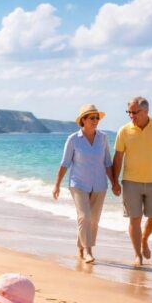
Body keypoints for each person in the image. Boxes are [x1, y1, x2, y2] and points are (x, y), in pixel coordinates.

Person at [111, 97, 152, 266]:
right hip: (131, 181)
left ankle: (144, 239)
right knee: (134, 219)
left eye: (134, 112)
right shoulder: (123, 131)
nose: (131, 116)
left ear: (146, 111)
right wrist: (115, 181)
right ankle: (137, 255)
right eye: (129, 112)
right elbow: (118, 157)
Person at [52, 104, 114, 263]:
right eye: (92, 118)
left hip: (100, 184)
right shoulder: (73, 139)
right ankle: (88, 251)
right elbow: (65, 163)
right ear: (83, 120)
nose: (95, 120)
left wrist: (114, 182)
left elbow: (107, 162)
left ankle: (81, 246)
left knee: (94, 220)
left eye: (97, 118)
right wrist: (57, 184)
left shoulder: (103, 138)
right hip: (78, 184)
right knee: (84, 217)